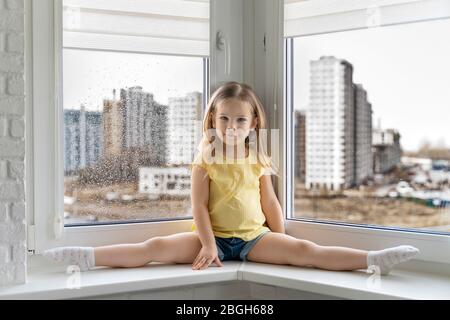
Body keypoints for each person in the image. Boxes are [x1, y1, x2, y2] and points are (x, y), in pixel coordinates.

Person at [44, 82, 419, 275]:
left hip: (255, 239)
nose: (231, 127)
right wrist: (207, 246)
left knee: (307, 253)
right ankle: (85, 256)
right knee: (154, 246)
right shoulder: (205, 159)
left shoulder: (258, 156)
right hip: (215, 241)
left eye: (240, 120)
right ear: (213, 121)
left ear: (253, 123)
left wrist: (281, 237)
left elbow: (270, 201)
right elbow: (200, 208)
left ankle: (372, 259)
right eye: (224, 119)